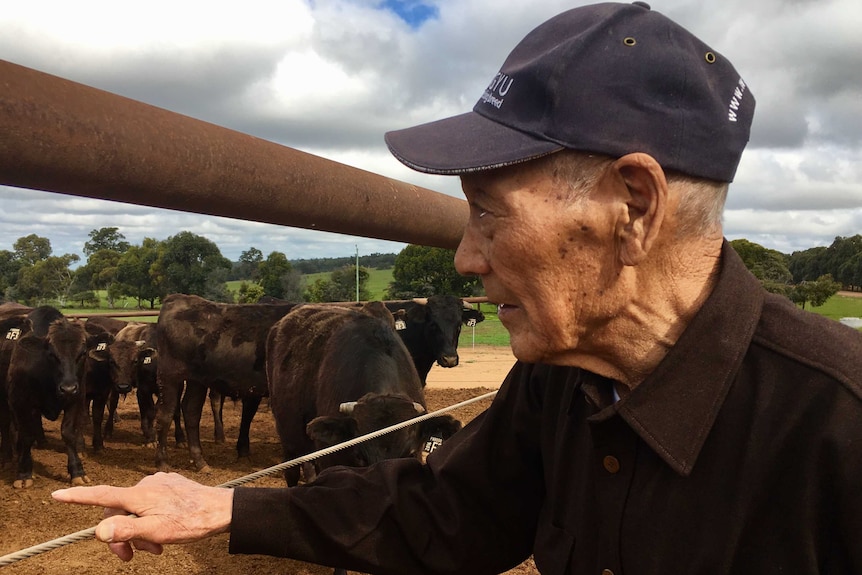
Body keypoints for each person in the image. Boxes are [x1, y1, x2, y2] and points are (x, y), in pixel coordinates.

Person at [54, 2, 862, 574]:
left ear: (634, 208)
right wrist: (224, 508)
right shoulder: (561, 381)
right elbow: (445, 512)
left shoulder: (839, 429)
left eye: (488, 215)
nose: (465, 258)